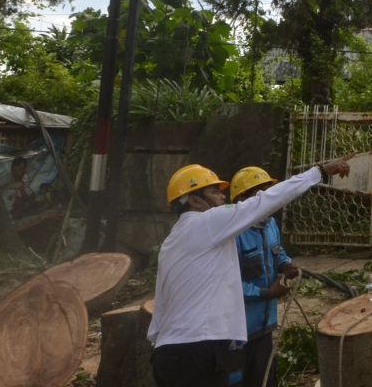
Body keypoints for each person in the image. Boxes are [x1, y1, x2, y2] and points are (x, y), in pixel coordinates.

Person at [147, 157, 350, 387]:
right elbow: (267, 200)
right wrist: (318, 172)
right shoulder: (208, 223)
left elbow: (161, 300)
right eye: (214, 192)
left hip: (167, 356)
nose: (223, 197)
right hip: (200, 351)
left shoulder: (171, 242)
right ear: (194, 200)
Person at [226, 166, 297, 387]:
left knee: (265, 379)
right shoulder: (232, 235)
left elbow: (277, 251)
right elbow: (228, 285)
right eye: (262, 194)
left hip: (265, 327)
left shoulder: (270, 224)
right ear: (243, 199)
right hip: (238, 333)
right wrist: (267, 292)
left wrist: (286, 264)